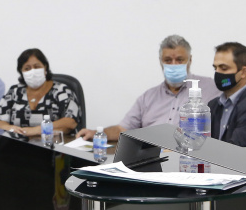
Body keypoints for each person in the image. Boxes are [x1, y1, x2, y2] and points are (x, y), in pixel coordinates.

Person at [77, 35, 219, 142]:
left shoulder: (211, 88)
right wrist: (97, 133)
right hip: (152, 161)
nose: (174, 65)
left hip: (191, 160)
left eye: (180, 60)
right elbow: (123, 128)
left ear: (190, 60)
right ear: (160, 62)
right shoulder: (148, 97)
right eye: (168, 60)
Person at [0, 48, 82, 138]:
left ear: (45, 67)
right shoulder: (15, 91)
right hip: (18, 146)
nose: (32, 71)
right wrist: (10, 128)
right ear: (21, 72)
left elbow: (70, 122)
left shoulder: (61, 90)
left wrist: (34, 131)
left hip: (54, 146)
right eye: (27, 68)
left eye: (37, 67)